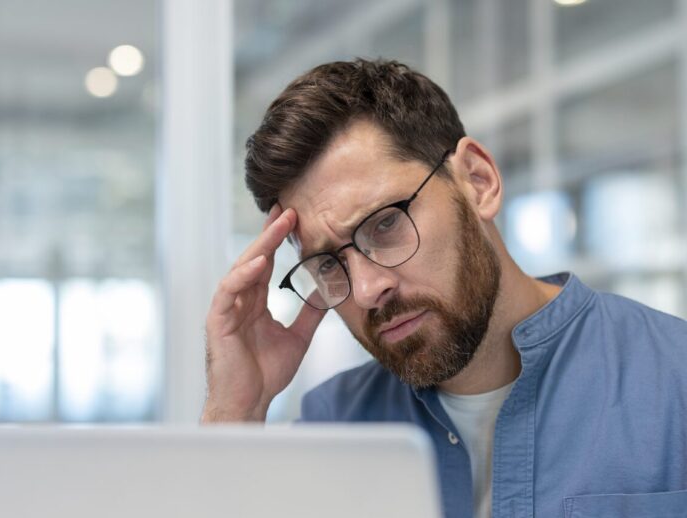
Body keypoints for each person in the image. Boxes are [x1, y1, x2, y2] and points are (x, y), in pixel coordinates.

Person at [201, 59, 687, 518]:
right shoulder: (336, 424)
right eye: (328, 263)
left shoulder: (674, 383)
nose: (366, 289)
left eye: (385, 224)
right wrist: (236, 412)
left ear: (478, 180)